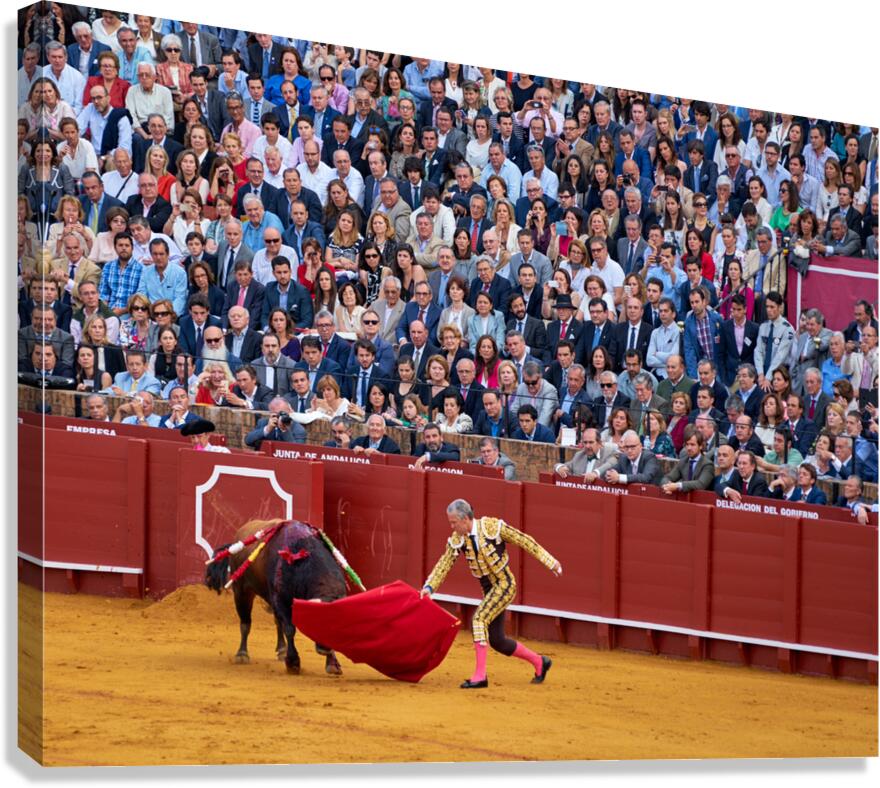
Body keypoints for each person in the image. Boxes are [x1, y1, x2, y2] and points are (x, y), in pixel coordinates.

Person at [420, 498, 561, 688]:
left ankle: (480, 676)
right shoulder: (457, 539)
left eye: (454, 522)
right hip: (489, 590)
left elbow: (524, 540)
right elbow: (444, 563)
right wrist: (429, 588)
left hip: (505, 584)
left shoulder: (492, 527)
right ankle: (539, 662)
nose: (452, 527)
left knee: (478, 619)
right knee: (497, 640)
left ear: (465, 519)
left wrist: (549, 561)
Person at [660, 425, 715, 493]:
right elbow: (667, 478)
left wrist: (677, 485)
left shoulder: (707, 464)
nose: (689, 448)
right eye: (687, 444)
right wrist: (667, 487)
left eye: (692, 445)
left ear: (701, 446)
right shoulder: (683, 461)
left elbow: (701, 484)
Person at [554, 427, 619, 482]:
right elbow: (563, 466)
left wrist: (595, 473)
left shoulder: (609, 452)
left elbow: (610, 464)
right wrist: (559, 468)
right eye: (585, 442)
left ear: (599, 443)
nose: (587, 446)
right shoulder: (579, 455)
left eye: (591, 442)